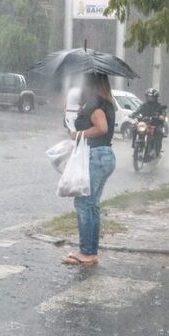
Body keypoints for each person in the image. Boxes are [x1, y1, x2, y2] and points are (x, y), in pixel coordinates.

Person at [62, 73, 117, 266]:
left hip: (95, 156)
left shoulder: (97, 105)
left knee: (84, 204)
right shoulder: (104, 102)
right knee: (92, 204)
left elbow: (101, 128)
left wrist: (78, 134)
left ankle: (86, 252)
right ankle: (90, 252)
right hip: (104, 155)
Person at [132, 88, 167, 156]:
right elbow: (138, 110)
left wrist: (161, 116)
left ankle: (157, 150)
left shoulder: (159, 106)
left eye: (152, 97)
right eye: (148, 97)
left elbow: (163, 113)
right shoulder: (144, 105)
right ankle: (135, 145)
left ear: (156, 98)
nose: (150, 98)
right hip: (145, 123)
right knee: (134, 128)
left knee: (159, 132)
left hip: (155, 124)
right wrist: (133, 114)